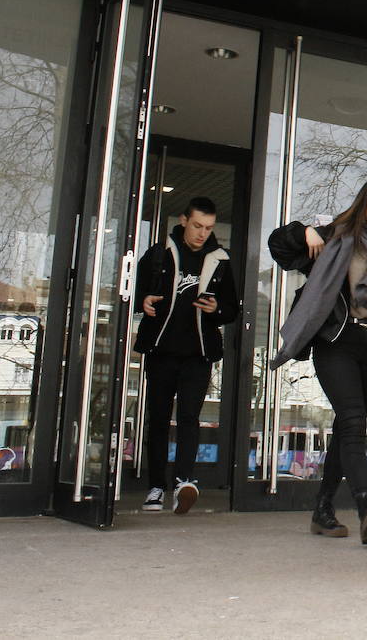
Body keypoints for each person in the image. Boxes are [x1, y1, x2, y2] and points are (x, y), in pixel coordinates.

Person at [269, 174, 367, 545]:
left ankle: (323, 510)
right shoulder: (335, 237)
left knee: (347, 427)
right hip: (335, 340)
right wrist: (304, 231)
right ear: (365, 200)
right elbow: (278, 246)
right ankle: (364, 505)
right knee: (354, 421)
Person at [134, 196, 240, 514]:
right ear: (183, 220)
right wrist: (144, 300)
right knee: (158, 418)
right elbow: (136, 290)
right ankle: (156, 487)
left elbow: (231, 308)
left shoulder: (221, 259)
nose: (201, 233)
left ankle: (183, 483)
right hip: (162, 350)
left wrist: (216, 309)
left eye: (208, 228)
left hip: (199, 353)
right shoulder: (159, 254)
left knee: (189, 419)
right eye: (196, 225)